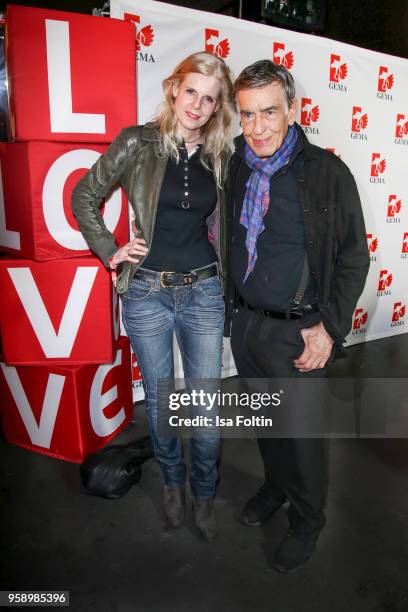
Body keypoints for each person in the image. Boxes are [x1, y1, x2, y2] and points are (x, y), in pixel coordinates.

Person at [72, 52, 235, 542]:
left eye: (209, 98)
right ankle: (172, 483)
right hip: (147, 295)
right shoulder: (135, 143)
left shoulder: (221, 154)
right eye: (191, 92)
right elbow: (84, 195)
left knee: (205, 406)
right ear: (173, 89)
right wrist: (110, 249)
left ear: (216, 106)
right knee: (164, 406)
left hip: (204, 291)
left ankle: (204, 491)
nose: (198, 105)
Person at [224, 60, 369, 572]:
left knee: (303, 439)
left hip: (300, 333)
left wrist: (328, 327)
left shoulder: (328, 174)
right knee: (267, 425)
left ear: (293, 110)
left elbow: (354, 257)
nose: (258, 127)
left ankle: (308, 522)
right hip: (248, 325)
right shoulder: (238, 166)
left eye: (269, 112)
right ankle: (276, 488)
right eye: (247, 115)